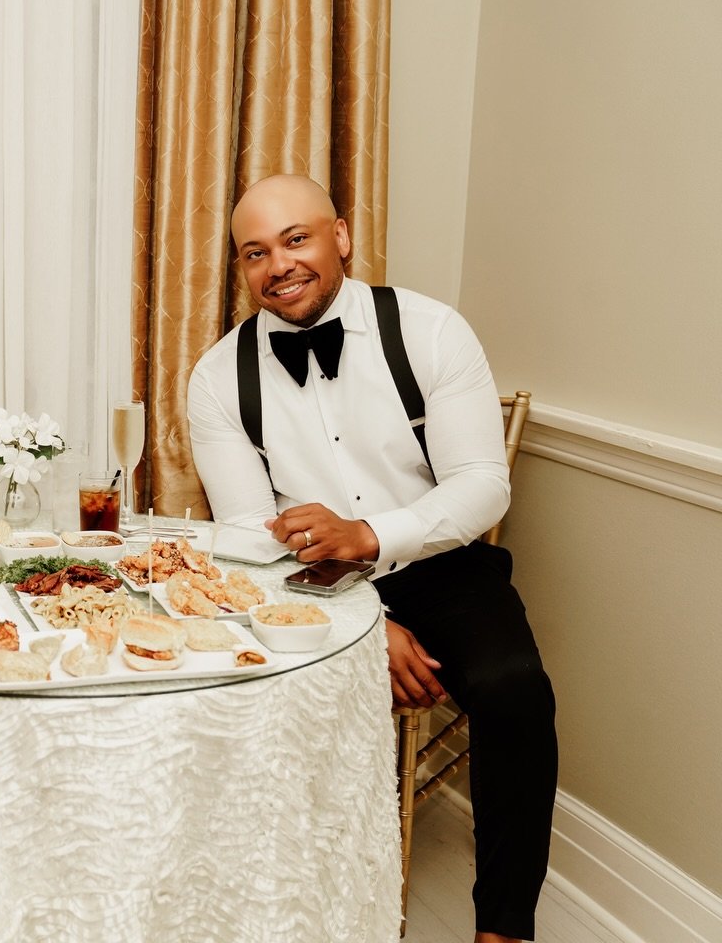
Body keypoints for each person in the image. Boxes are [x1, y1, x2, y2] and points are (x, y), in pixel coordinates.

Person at [186, 175, 557, 943]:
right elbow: (250, 534)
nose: (279, 265)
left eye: (296, 239)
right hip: (307, 583)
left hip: (438, 557)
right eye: (255, 252)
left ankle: (504, 930)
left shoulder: (430, 331)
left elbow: (482, 486)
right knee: (234, 700)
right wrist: (365, 626)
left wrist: (372, 536)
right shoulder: (219, 377)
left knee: (516, 689)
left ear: (341, 237)